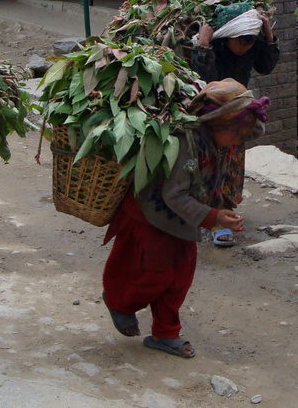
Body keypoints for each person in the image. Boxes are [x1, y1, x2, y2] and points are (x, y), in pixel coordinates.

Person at [101, 78, 269, 358]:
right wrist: (213, 216)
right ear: (219, 124)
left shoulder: (220, 143)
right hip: (150, 215)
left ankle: (165, 334)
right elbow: (174, 196)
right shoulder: (185, 142)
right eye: (237, 136)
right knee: (152, 273)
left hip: (181, 220)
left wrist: (220, 209)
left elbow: (211, 182)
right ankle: (119, 302)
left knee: (181, 275)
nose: (238, 143)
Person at [191, 2, 279, 247]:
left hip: (237, 114)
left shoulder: (251, 44)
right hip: (208, 117)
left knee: (232, 165)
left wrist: (268, 35)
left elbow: (266, 65)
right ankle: (201, 215)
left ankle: (223, 216)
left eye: (251, 42)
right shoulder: (210, 47)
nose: (246, 47)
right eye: (241, 42)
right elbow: (206, 80)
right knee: (206, 166)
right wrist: (204, 46)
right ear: (226, 36)